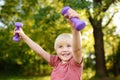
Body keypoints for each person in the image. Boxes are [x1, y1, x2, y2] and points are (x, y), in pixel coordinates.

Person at [14, 8, 83, 80]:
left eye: (69, 46)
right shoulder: (56, 61)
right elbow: (40, 51)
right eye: (60, 47)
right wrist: (24, 36)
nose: (65, 50)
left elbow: (77, 49)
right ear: (55, 50)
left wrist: (75, 29)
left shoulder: (75, 62)